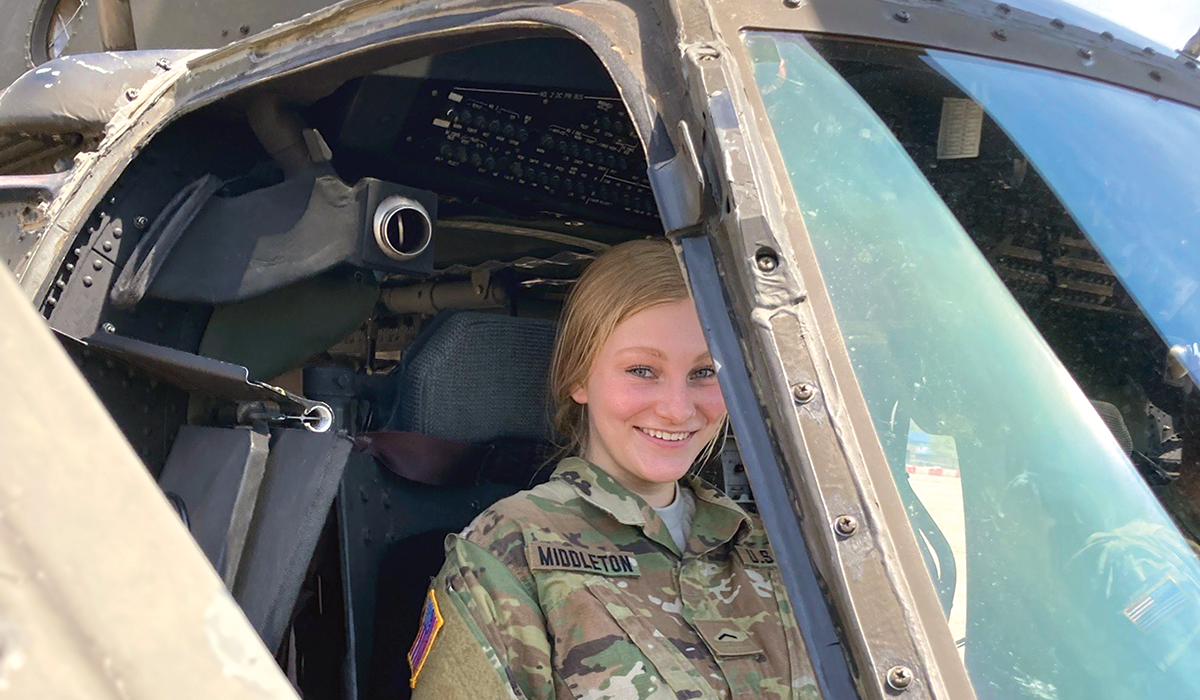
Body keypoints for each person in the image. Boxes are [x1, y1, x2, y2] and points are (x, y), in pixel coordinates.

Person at [408, 238, 817, 699]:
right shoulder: (509, 553)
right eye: (642, 370)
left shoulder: (778, 550)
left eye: (704, 372)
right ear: (578, 377)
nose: (678, 410)